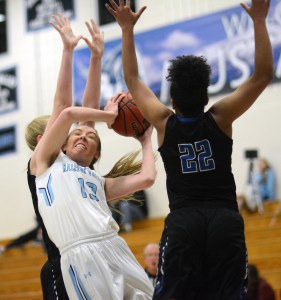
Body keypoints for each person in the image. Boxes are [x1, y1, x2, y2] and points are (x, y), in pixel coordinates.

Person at [106, 0, 273, 299]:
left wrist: (127, 29)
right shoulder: (221, 117)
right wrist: (260, 21)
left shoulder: (163, 122)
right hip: (224, 219)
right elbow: (262, 75)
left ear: (172, 100)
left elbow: (132, 79)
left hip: (184, 222)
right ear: (207, 96)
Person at [25, 14, 104, 299]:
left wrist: (96, 58)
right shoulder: (43, 162)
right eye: (62, 130)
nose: (75, 133)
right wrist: (68, 50)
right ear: (41, 140)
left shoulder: (69, 161)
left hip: (89, 256)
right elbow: (64, 105)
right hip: (63, 261)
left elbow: (89, 109)